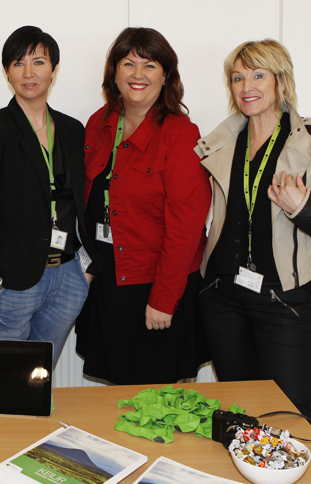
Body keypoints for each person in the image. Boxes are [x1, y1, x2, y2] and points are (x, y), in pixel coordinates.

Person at [196, 39, 311, 418]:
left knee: (289, 417)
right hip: (222, 295)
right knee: (239, 411)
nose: (246, 86)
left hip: (284, 299)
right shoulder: (222, 140)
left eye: (257, 75)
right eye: (237, 78)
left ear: (281, 81)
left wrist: (302, 207)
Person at [74, 27, 211, 384]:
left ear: (166, 76)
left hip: (157, 283)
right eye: (128, 63)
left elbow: (186, 229)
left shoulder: (180, 133)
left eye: (149, 65)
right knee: (116, 391)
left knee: (158, 397)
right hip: (108, 280)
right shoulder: (98, 123)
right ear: (114, 72)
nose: (138, 74)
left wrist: (163, 299)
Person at [0, 26, 100, 364]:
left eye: (38, 62)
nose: (28, 73)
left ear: (54, 69)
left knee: (37, 378)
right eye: (18, 63)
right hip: (8, 280)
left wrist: (86, 271)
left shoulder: (72, 129)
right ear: (7, 72)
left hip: (66, 277)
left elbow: (82, 203)